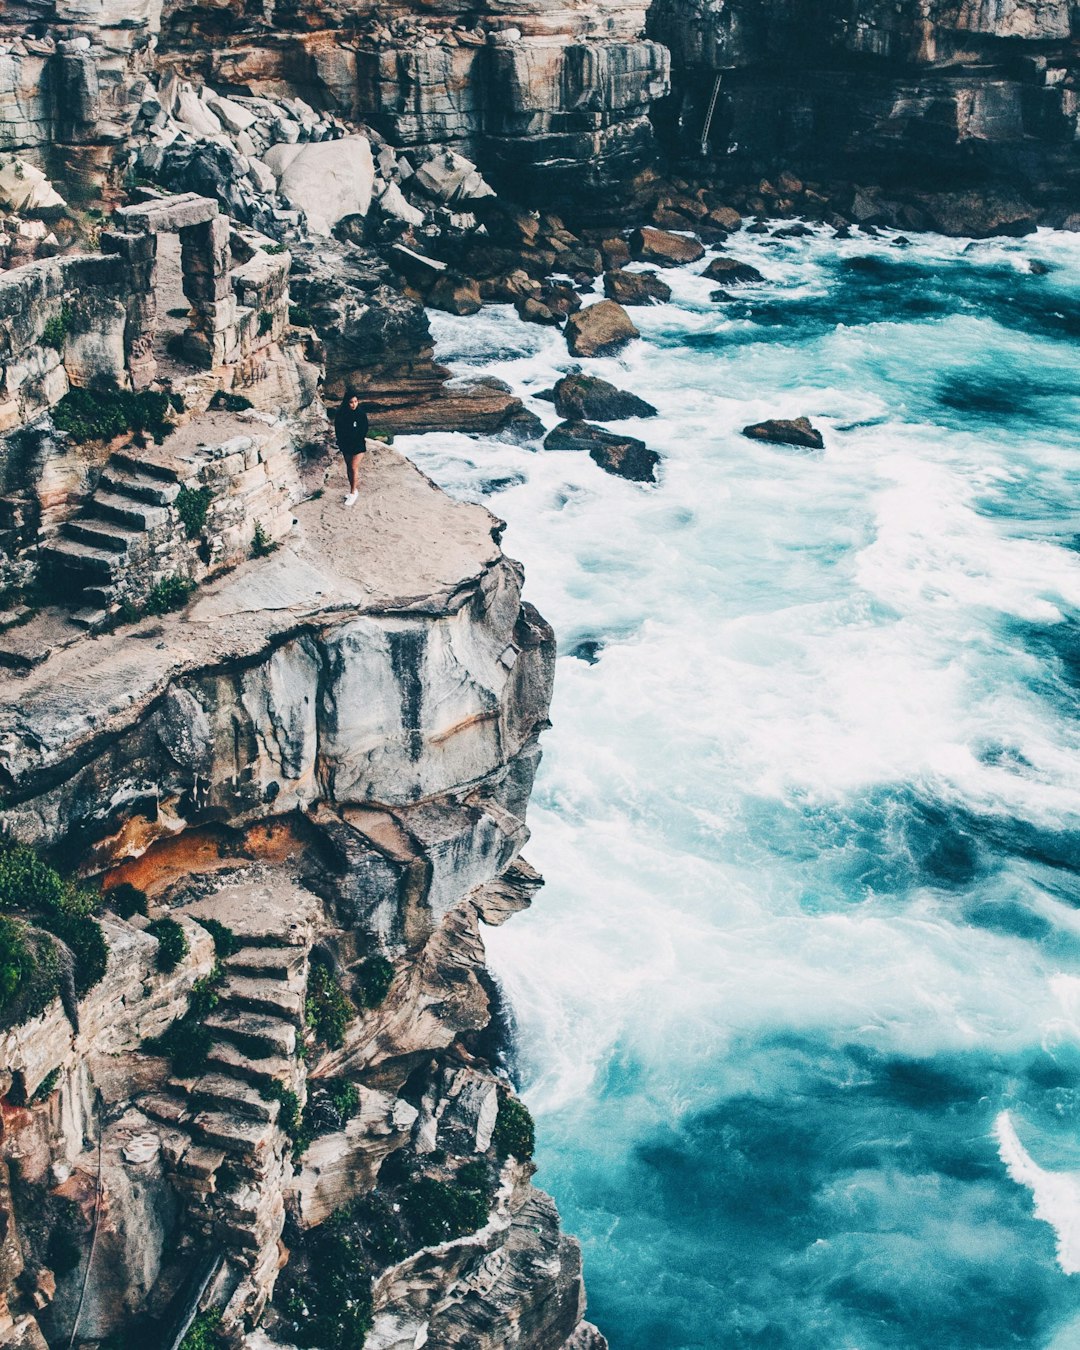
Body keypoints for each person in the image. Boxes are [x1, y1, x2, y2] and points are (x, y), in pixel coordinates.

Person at [334, 390, 369, 506]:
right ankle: (353, 489)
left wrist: (356, 438)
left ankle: (353, 493)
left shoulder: (361, 414)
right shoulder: (341, 414)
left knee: (354, 467)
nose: (354, 404)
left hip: (358, 445)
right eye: (351, 402)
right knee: (349, 468)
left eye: (356, 401)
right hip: (346, 445)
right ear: (346, 403)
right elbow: (338, 429)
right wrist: (341, 441)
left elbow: (364, 430)